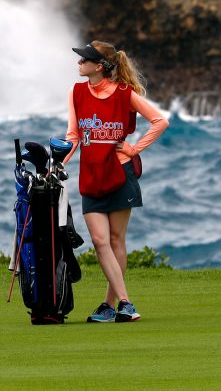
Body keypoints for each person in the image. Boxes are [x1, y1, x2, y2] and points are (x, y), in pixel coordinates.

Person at [65, 40, 169, 323]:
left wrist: (135, 149)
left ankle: (114, 304)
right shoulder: (76, 92)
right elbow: (74, 135)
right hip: (90, 174)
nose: (79, 63)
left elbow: (160, 121)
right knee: (100, 241)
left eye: (84, 60)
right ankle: (123, 303)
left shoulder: (125, 94)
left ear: (99, 66)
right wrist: (58, 164)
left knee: (114, 239)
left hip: (121, 174)